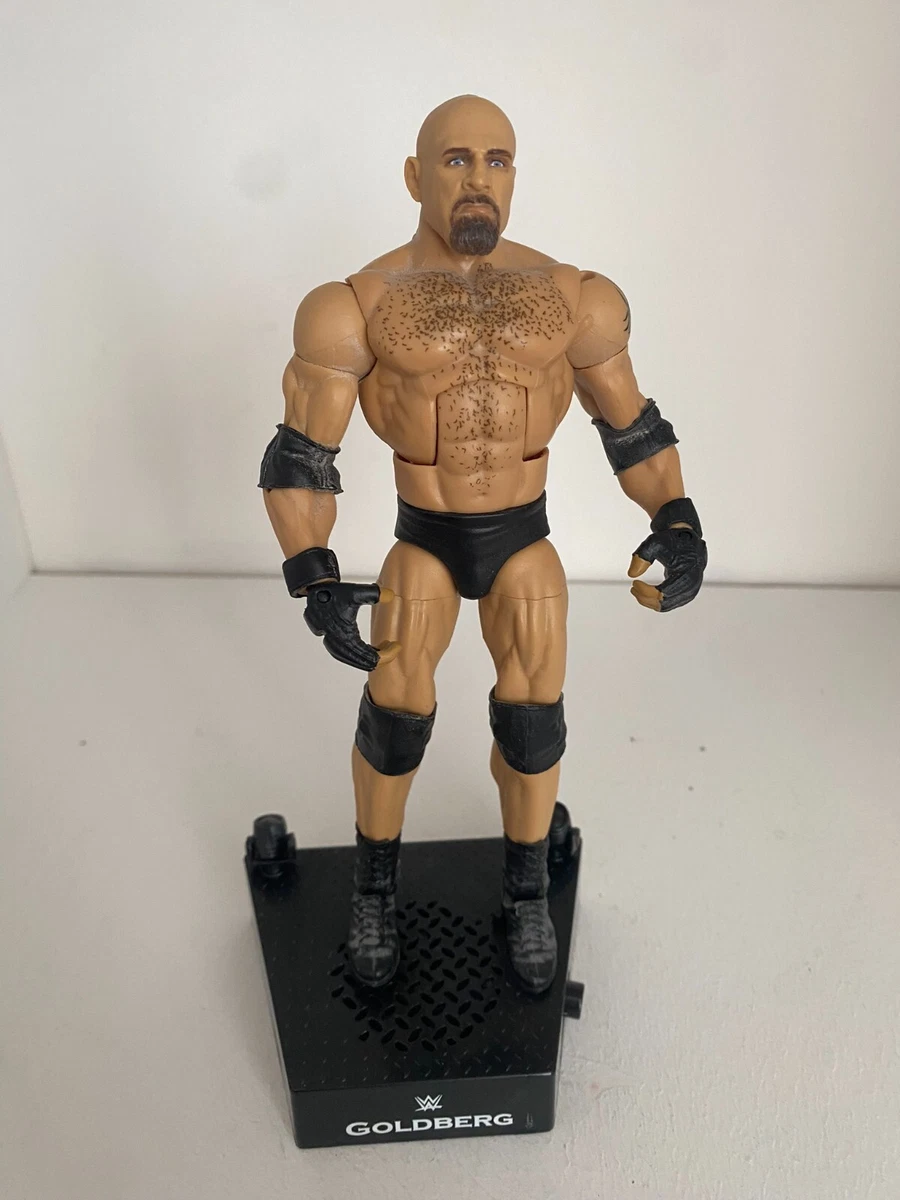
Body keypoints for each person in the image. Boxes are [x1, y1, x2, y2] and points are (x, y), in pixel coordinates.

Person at [259, 94, 707, 994]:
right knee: (396, 711)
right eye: (456, 160)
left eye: (497, 160)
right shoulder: (355, 307)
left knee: (535, 720)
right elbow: (302, 454)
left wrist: (677, 517)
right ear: (414, 176)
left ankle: (527, 889)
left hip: (523, 537)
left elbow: (632, 424)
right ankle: (373, 891)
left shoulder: (572, 298)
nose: (479, 180)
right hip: (424, 537)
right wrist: (314, 573)